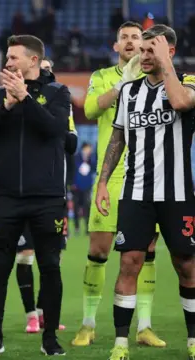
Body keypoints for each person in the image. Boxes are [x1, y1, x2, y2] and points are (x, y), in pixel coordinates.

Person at [97, 24, 195, 360]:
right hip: (135, 193)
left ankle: (194, 340)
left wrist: (166, 64)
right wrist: (101, 183)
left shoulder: (189, 82)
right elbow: (118, 138)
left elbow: (181, 103)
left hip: (177, 192)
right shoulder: (129, 92)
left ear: (170, 51)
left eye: (152, 48)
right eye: (144, 48)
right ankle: (121, 343)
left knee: (186, 265)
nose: (144, 54)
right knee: (130, 263)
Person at [72, 21, 165, 348]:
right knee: (98, 251)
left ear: (145, 43)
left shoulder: (157, 77)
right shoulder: (101, 77)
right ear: (115, 46)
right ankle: (87, 324)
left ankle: (144, 327)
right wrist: (122, 84)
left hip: (146, 178)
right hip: (110, 179)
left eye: (135, 37)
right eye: (124, 37)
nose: (129, 41)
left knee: (147, 253)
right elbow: (89, 107)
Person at [0, 34, 70, 356]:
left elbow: (56, 130)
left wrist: (26, 99)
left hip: (47, 198)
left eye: (13, 57)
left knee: (50, 267)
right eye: (7, 57)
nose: (8, 62)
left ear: (33, 60)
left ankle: (49, 339)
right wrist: (7, 103)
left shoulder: (58, 92)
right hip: (6, 198)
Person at [13, 56, 76, 334]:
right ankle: (30, 315)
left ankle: (44, 313)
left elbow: (71, 143)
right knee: (25, 255)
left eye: (50, 69)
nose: (45, 73)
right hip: (23, 193)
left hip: (54, 194)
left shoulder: (61, 103)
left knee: (53, 258)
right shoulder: (15, 101)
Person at [72, 142, 96, 234]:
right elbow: (73, 170)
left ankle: (87, 227)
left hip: (87, 186)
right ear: (84, 148)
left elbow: (94, 167)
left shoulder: (91, 158)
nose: (90, 150)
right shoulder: (76, 157)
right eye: (88, 148)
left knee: (87, 207)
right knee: (76, 208)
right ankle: (77, 227)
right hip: (77, 187)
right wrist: (72, 183)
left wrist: (89, 158)